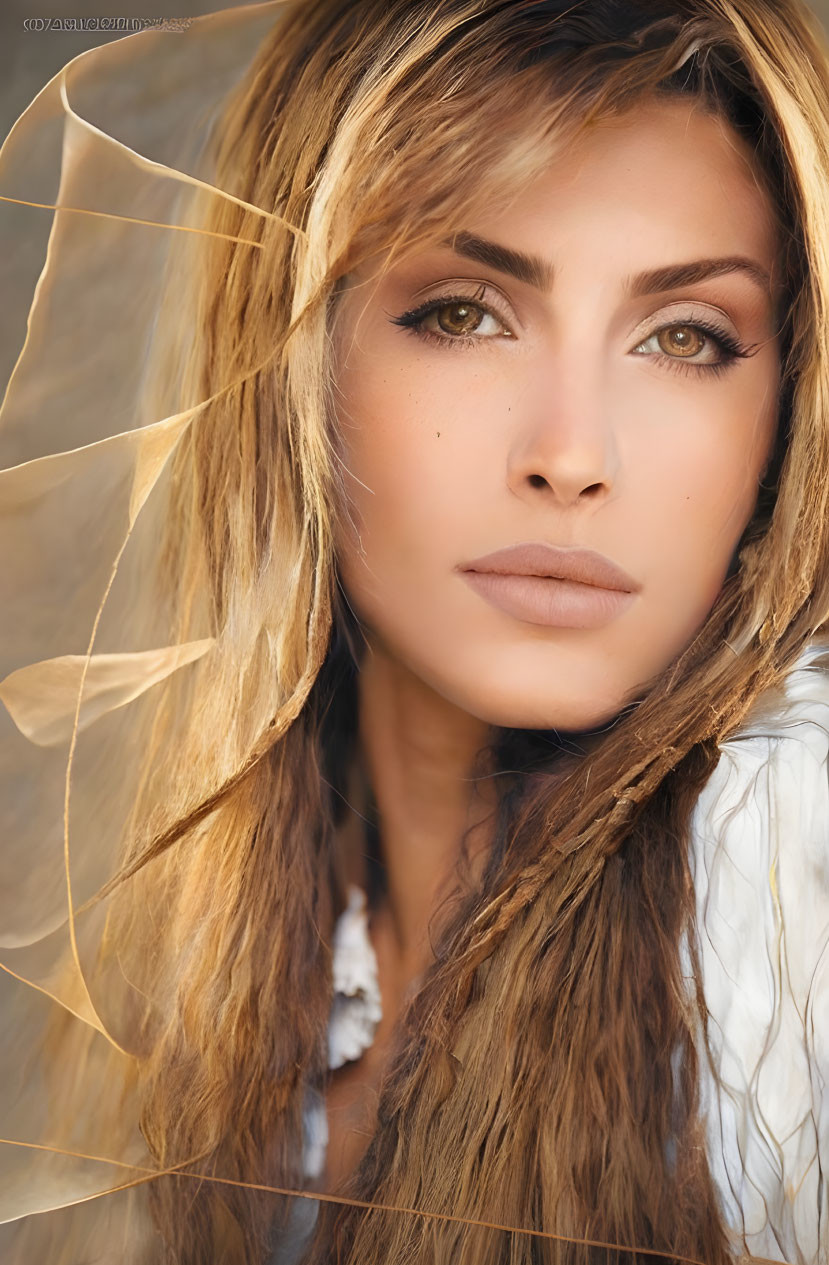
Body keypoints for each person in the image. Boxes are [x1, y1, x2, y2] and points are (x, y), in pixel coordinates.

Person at [0, 0, 828, 1261]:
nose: (570, 455)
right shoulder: (246, 951)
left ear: (782, 425)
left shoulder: (784, 860)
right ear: (294, 369)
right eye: (462, 312)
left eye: (684, 337)